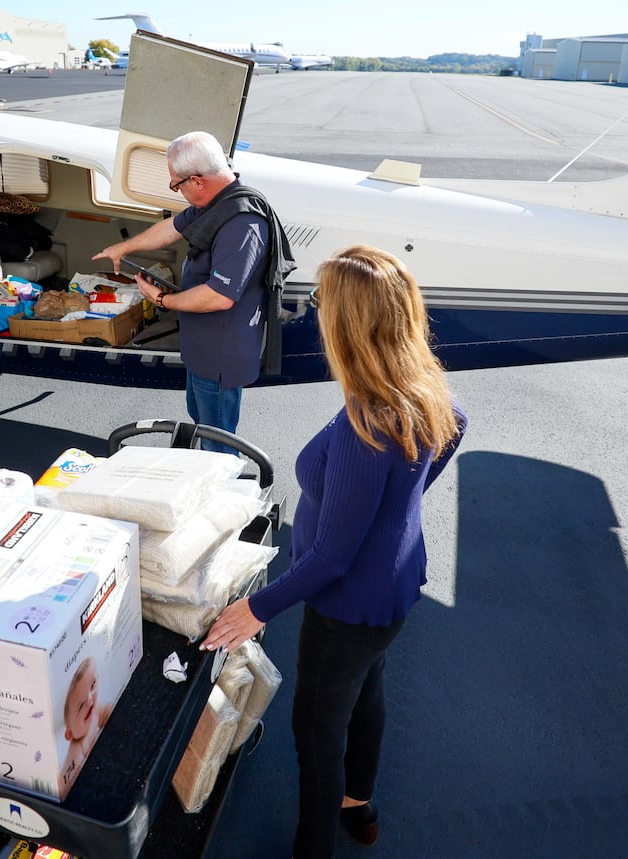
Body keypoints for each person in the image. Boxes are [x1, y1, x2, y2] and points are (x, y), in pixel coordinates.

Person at [202, 245, 467, 859]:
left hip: (345, 606)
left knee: (316, 735)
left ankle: (312, 849)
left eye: (322, 303)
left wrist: (255, 609)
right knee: (368, 691)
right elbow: (457, 424)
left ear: (348, 323)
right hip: (396, 587)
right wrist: (399, 504)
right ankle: (360, 806)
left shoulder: (364, 428)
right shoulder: (421, 388)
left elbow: (330, 560)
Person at [95, 131, 293, 449]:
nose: (177, 190)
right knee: (203, 424)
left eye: (176, 184)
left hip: (219, 356)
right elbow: (171, 228)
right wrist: (124, 247)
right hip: (204, 351)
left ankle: (221, 492)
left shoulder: (241, 224)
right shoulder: (216, 205)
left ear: (197, 181)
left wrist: (161, 299)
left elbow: (219, 295)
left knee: (217, 441)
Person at [60, 656, 112, 791]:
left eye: (92, 686)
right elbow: (66, 783)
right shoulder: (75, 751)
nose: (90, 701)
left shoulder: (94, 712)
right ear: (69, 734)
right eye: (81, 705)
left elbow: (107, 710)